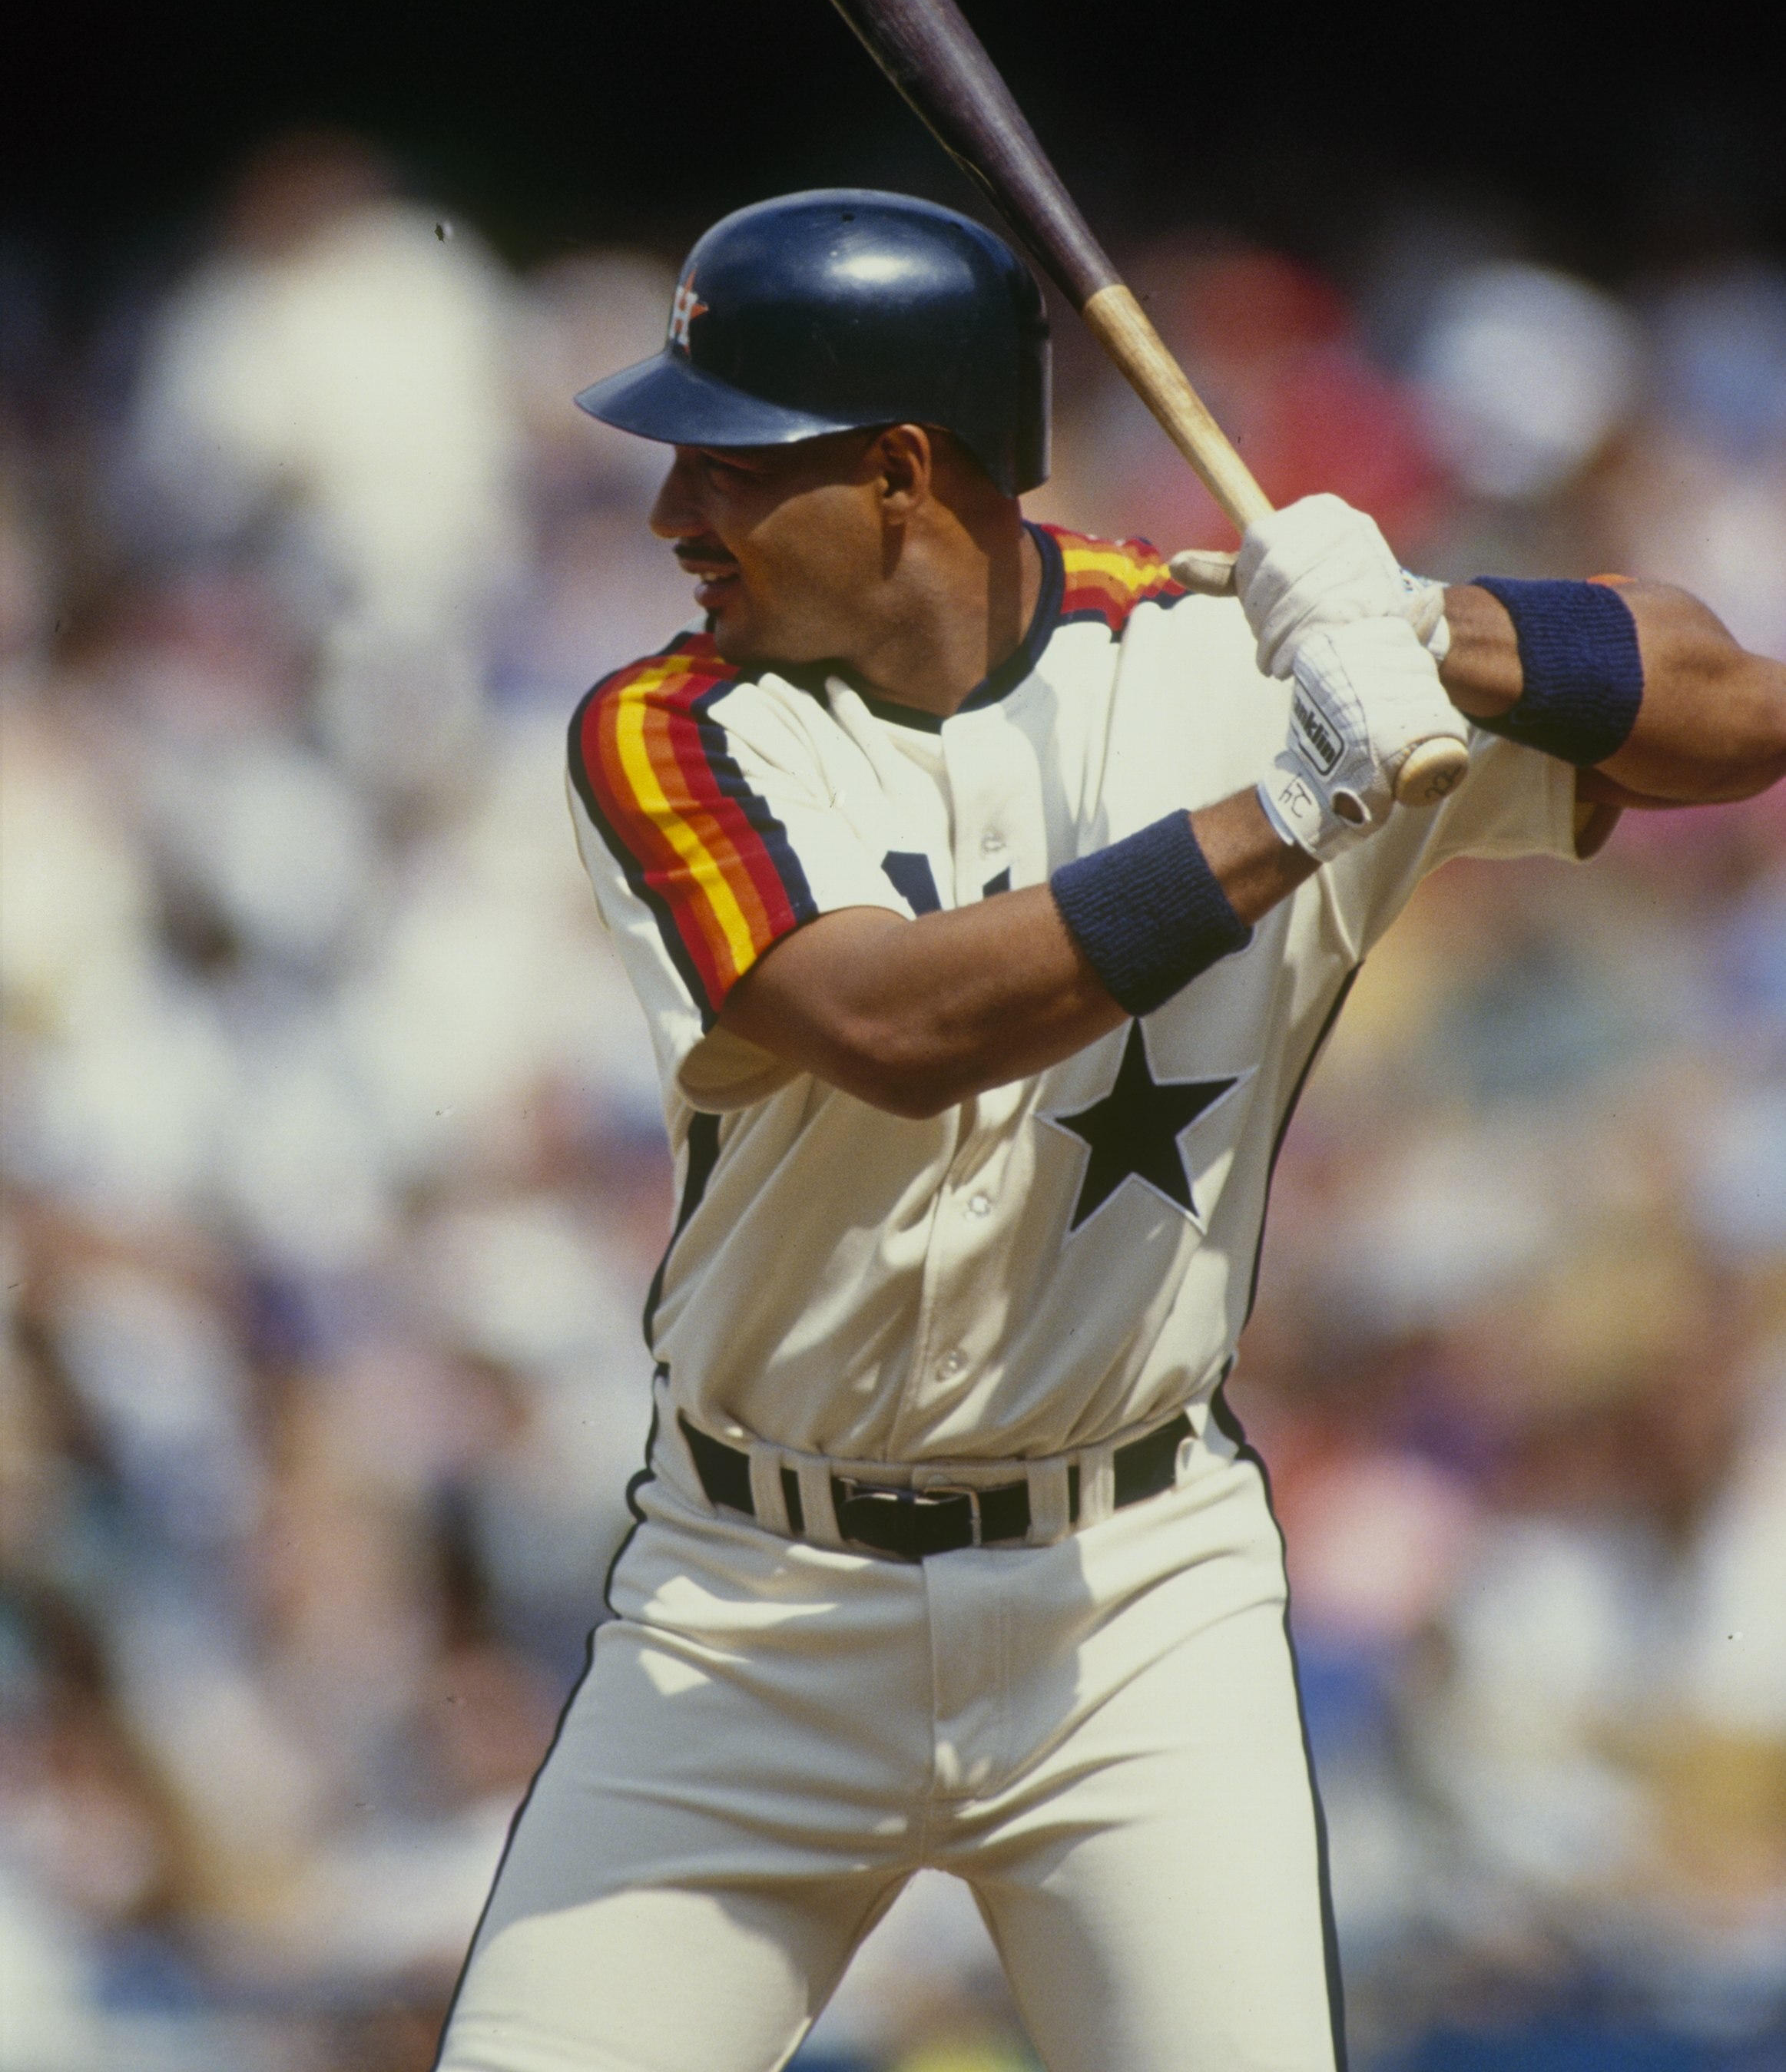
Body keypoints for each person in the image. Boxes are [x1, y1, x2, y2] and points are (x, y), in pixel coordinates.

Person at [436, 190, 1786, 2072]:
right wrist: (1296, 804)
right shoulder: (669, 728)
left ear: (903, 471)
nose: (676, 516)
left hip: (1132, 1604)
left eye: (728, 465)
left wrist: (1446, 631)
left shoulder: (1222, 650)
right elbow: (897, 1026)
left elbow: (1735, 718)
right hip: (749, 1607)